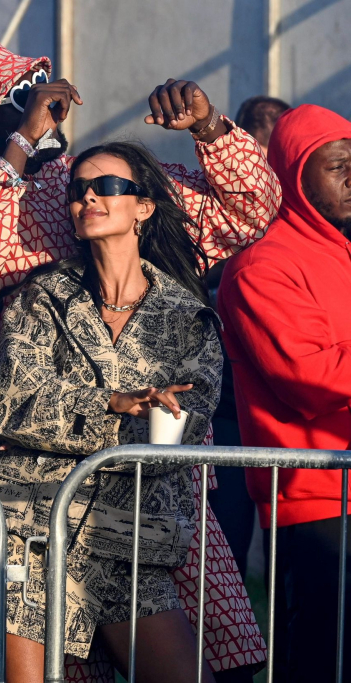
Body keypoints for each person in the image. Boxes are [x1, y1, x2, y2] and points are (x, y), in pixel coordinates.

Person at [0, 35, 281, 681]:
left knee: (197, 643)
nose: (45, 105)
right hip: (31, 480)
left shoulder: (102, 182)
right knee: (20, 650)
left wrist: (212, 128)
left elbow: (247, 211)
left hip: (143, 486)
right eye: (18, 98)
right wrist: (17, 150)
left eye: (42, 86)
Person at [0, 139, 224, 683]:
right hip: (29, 530)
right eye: (78, 190)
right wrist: (114, 408)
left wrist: (46, 435)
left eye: (108, 186)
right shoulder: (41, 298)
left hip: (127, 536)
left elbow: (171, 443)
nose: (88, 197)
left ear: (143, 206)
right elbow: (9, 406)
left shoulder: (187, 318)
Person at [217, 103, 351, 683]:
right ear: (296, 172)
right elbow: (310, 378)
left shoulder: (343, 255)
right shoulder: (259, 265)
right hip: (315, 503)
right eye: (340, 165)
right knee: (322, 661)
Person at [208, 94, 290, 580]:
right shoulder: (215, 223)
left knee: (297, 563)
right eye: (255, 149)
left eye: (274, 150)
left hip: (290, 415)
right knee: (226, 558)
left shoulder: (313, 224)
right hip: (227, 415)